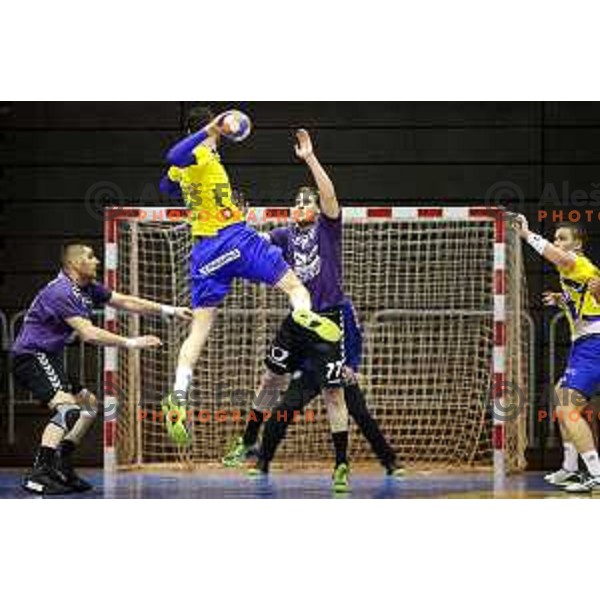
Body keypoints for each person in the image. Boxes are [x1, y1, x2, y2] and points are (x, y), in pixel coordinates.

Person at [158, 108, 341, 446]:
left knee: (199, 330)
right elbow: (176, 152)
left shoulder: (184, 165)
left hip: (204, 254)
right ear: (210, 129)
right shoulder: (199, 151)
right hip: (234, 239)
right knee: (294, 286)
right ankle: (303, 312)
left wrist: (183, 178)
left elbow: (165, 185)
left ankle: (178, 395)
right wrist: (212, 129)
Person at [12, 243, 192, 495]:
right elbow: (88, 333)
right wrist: (131, 342)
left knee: (89, 405)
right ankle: (39, 473)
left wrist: (168, 310)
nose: (96, 261)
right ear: (74, 264)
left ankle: (61, 464)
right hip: (31, 356)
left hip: (48, 357)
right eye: (90, 256)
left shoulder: (86, 288)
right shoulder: (62, 292)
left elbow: (125, 301)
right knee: (67, 409)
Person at [515, 217, 600, 493]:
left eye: (563, 238)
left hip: (594, 343)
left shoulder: (577, 263)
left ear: (578, 244)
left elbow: (556, 256)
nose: (557, 242)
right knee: (559, 394)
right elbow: (584, 298)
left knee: (567, 408)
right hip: (584, 344)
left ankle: (596, 474)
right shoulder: (574, 274)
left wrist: (527, 234)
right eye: (556, 237)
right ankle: (571, 469)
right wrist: (560, 300)